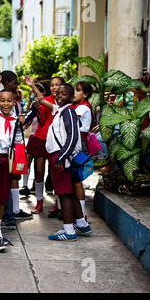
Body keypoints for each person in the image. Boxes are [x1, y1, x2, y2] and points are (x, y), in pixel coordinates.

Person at [44, 84, 92, 241]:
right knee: (69, 193)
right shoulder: (62, 111)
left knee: (64, 194)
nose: (59, 96)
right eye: (57, 93)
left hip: (62, 158)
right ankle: (81, 224)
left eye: (63, 94)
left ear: (72, 98)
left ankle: (69, 230)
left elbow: (72, 137)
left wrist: (61, 156)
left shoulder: (69, 111)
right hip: (61, 157)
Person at [0, 89, 26, 252]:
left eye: (9, 101)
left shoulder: (16, 120)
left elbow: (17, 141)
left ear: (14, 102)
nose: (6, 104)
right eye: (3, 101)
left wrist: (20, 123)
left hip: (6, 160)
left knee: (2, 197)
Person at [23, 76, 65, 214]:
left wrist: (32, 86)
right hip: (41, 138)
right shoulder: (45, 100)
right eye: (52, 85)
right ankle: (39, 202)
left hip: (56, 141)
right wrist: (37, 109)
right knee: (39, 171)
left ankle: (58, 204)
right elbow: (41, 122)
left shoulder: (64, 102)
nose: (54, 87)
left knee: (56, 174)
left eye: (57, 85)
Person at [72, 81, 93, 219]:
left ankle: (82, 214)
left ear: (85, 94)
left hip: (80, 145)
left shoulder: (82, 108)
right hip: (78, 143)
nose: (74, 93)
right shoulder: (80, 106)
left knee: (77, 180)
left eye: (78, 90)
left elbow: (70, 120)